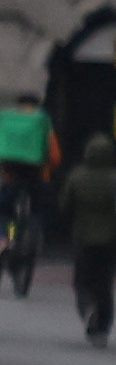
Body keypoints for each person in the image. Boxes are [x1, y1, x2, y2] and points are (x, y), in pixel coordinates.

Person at [58, 135, 116, 345]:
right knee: (105, 284)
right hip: (110, 241)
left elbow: (65, 206)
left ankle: (88, 308)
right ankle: (102, 328)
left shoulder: (77, 177)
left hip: (84, 238)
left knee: (83, 281)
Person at [0, 91, 49, 263]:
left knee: (6, 210)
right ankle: (34, 239)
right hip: (35, 172)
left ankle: (6, 239)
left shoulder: (7, 119)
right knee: (37, 208)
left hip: (11, 172)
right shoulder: (42, 120)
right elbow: (54, 154)